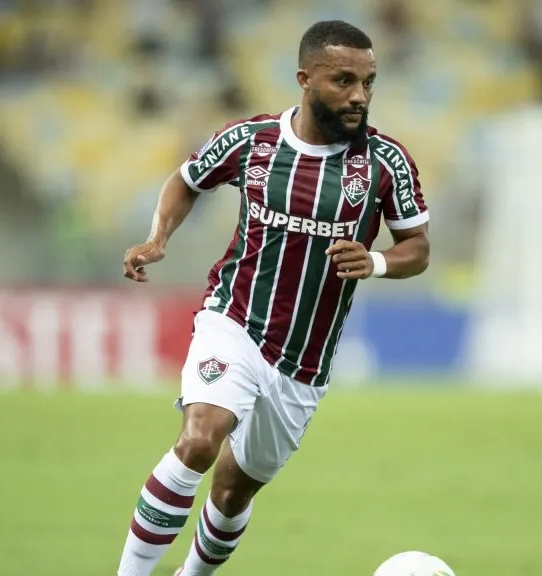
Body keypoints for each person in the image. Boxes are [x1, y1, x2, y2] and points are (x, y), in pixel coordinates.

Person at [117, 20, 430, 576]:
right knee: (199, 439)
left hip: (304, 363)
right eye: (344, 81)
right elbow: (186, 180)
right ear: (305, 79)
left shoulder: (385, 162)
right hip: (235, 320)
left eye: (368, 82)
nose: (359, 96)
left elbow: (418, 247)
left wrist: (377, 261)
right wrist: (158, 237)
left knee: (233, 491)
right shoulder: (253, 141)